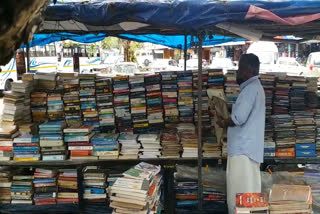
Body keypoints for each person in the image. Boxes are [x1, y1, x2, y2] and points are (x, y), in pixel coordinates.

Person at [217, 53, 265, 214]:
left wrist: (224, 121)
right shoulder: (255, 87)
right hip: (248, 149)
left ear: (249, 70)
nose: (238, 72)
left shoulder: (250, 89)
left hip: (243, 150)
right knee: (250, 193)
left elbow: (239, 118)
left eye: (240, 68)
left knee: (240, 195)